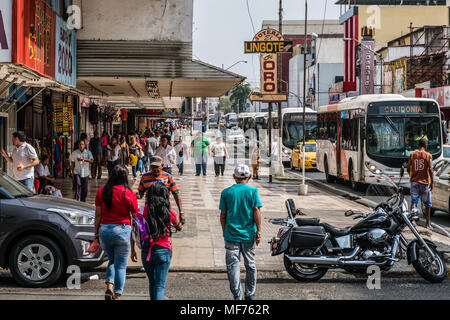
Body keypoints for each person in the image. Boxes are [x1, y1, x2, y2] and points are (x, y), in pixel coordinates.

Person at [94, 165, 139, 300]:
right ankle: (117, 295)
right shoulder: (128, 193)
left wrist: (95, 235)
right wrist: (134, 243)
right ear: (125, 177)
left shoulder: (102, 191)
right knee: (120, 266)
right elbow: (135, 217)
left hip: (105, 231)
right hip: (122, 231)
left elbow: (97, 216)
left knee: (112, 260)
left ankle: (109, 288)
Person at [219, 164, 262, 300]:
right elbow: (256, 211)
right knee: (250, 265)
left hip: (231, 234)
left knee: (233, 267)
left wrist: (224, 230)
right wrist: (259, 231)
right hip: (248, 235)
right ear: (249, 176)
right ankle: (249, 294)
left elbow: (223, 214)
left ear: (234, 177)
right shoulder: (253, 191)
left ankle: (237, 297)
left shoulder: (226, 192)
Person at [137, 182, 182, 300]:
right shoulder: (168, 211)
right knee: (160, 286)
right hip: (163, 250)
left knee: (152, 283)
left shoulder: (144, 211)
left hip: (147, 252)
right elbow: (179, 226)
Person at [138, 156, 185, 225]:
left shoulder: (168, 177)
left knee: (166, 231)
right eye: (153, 167)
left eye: (157, 167)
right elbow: (141, 192)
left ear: (162, 166)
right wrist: (138, 195)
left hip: (164, 210)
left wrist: (181, 212)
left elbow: (176, 195)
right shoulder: (145, 177)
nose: (155, 169)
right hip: (149, 211)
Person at [406, 138, 434, 229]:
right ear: (426, 146)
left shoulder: (412, 155)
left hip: (414, 182)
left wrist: (411, 174)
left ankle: (413, 221)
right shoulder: (428, 155)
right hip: (424, 183)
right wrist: (432, 182)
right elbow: (430, 169)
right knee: (427, 204)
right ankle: (427, 224)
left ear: (419, 145)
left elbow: (407, 167)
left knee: (414, 201)